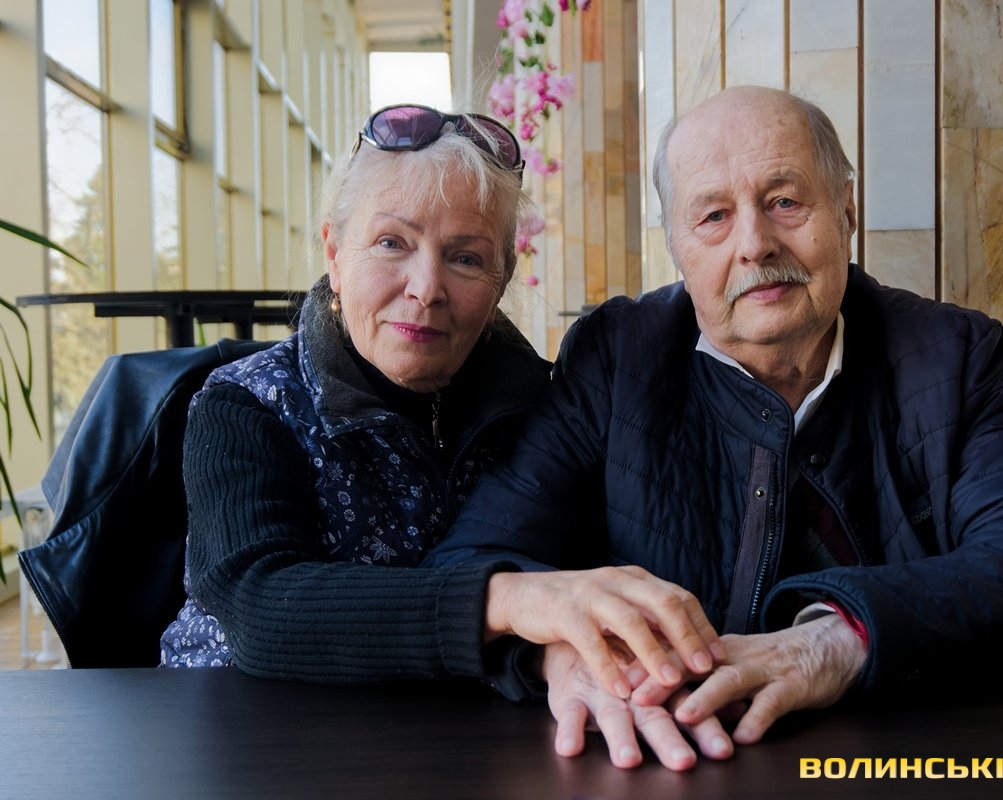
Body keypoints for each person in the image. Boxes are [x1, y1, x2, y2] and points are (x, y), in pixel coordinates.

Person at [430, 86, 1003, 769]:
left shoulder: (951, 355)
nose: (756, 245)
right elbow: (473, 563)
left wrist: (839, 638)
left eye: (785, 202)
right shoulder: (616, 357)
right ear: (676, 245)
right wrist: (557, 651)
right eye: (713, 217)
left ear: (847, 209)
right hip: (664, 762)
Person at [158, 103, 723, 702]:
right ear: (334, 254)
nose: (427, 288)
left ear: (502, 278)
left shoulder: (547, 403)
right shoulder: (248, 403)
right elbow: (258, 605)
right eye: (391, 243)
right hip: (244, 722)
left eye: (465, 258)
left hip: (462, 732)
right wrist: (502, 599)